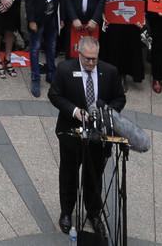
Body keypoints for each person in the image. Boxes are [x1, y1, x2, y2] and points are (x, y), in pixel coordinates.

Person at [50, 36, 125, 237]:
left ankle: (93, 214)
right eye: (87, 59)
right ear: (79, 53)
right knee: (68, 174)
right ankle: (66, 212)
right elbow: (54, 95)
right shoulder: (65, 69)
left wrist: (105, 113)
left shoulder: (109, 72)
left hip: (98, 137)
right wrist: (75, 111)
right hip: (71, 134)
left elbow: (120, 98)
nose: (91, 63)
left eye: (94, 59)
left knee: (94, 177)